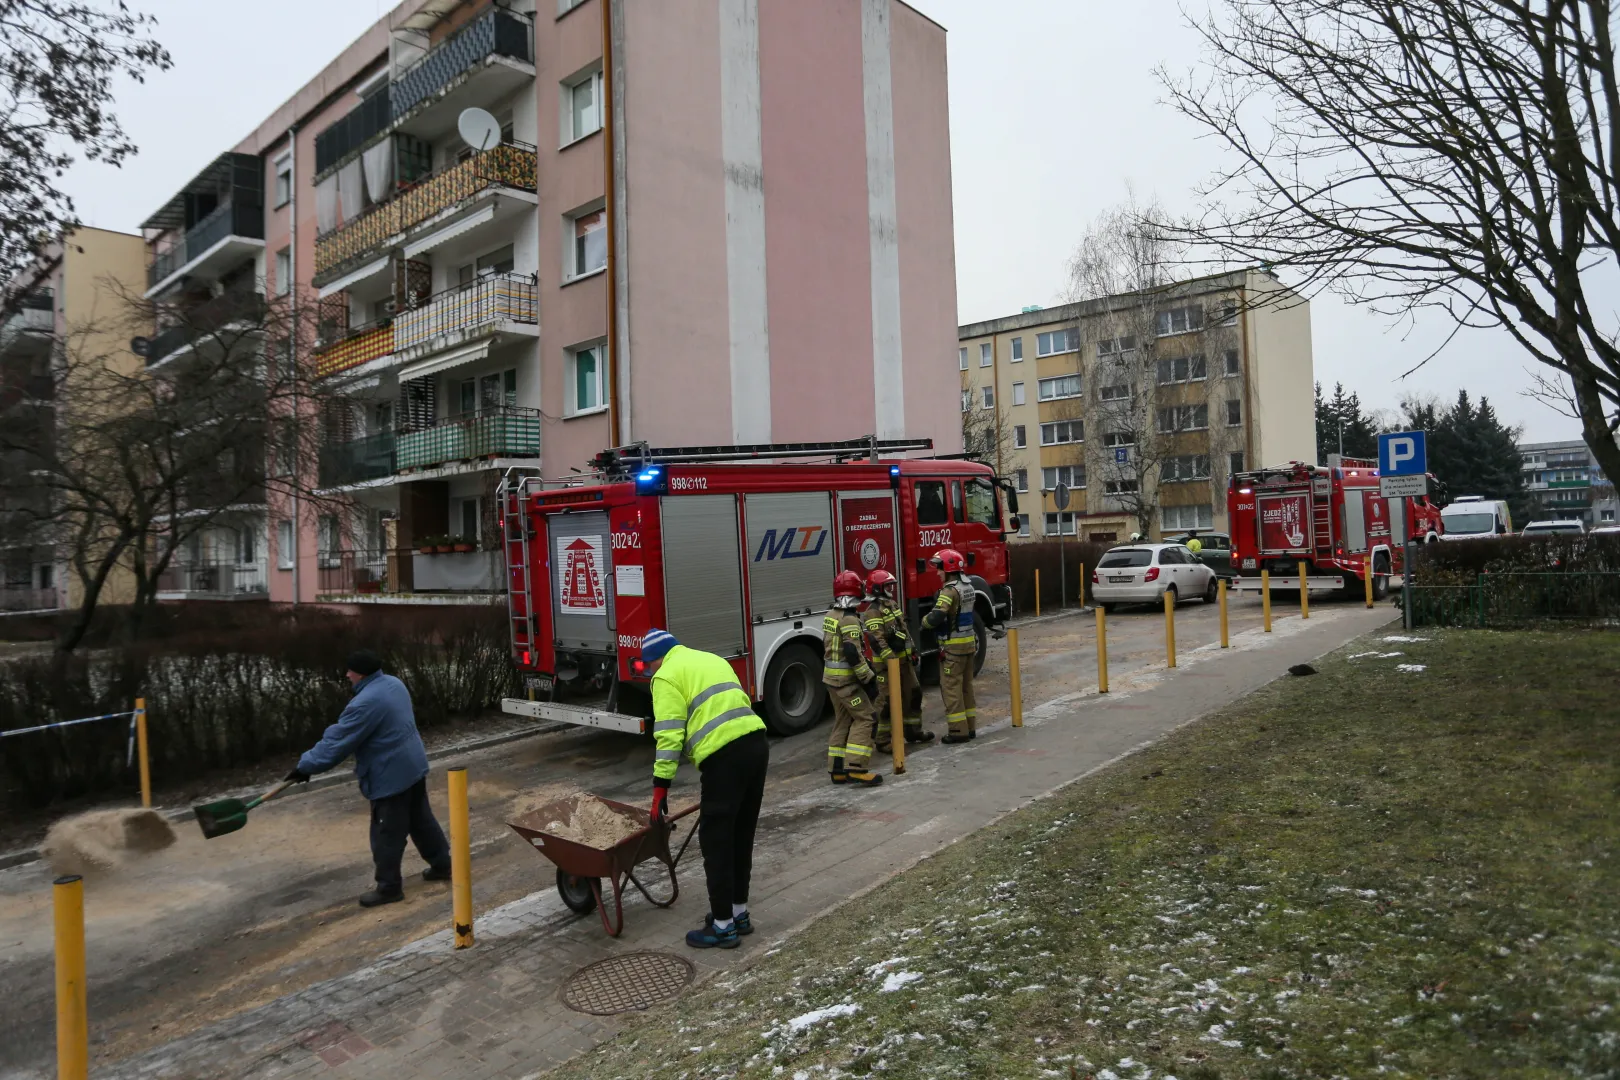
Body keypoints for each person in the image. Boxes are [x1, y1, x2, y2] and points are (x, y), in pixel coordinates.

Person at [639, 628, 770, 950]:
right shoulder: (710, 659)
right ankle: (739, 913)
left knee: (716, 840)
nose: (651, 673)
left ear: (653, 662)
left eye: (648, 667)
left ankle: (723, 926)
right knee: (741, 834)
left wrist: (660, 789)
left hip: (724, 757)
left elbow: (669, 735)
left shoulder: (665, 676)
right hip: (757, 744)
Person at [287, 650, 450, 907]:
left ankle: (389, 889)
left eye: (350, 671)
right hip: (412, 765)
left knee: (386, 834)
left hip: (391, 775)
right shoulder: (393, 683)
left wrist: (305, 766)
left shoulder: (366, 702)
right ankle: (443, 865)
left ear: (361, 673)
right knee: (421, 820)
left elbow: (338, 741)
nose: (347, 675)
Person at [822, 570, 884, 787]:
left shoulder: (831, 615)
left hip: (831, 680)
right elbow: (851, 652)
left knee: (843, 720)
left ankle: (837, 770)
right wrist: (868, 678)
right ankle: (857, 768)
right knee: (866, 718)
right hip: (846, 683)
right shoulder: (849, 618)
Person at [864, 569, 934, 751]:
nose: (891, 589)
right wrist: (892, 661)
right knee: (886, 702)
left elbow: (904, 631)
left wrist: (913, 652)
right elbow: (876, 640)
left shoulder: (892, 605)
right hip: (887, 667)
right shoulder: (872, 612)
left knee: (914, 694)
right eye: (887, 585)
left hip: (904, 663)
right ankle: (883, 740)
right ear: (878, 588)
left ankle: (913, 731)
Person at [921, 549, 978, 744]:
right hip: (969, 645)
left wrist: (924, 623)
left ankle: (957, 731)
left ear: (949, 568)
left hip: (953, 649)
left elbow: (938, 616)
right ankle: (970, 728)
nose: (938, 573)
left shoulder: (949, 590)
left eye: (939, 569)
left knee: (951, 690)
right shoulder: (968, 586)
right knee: (966, 688)